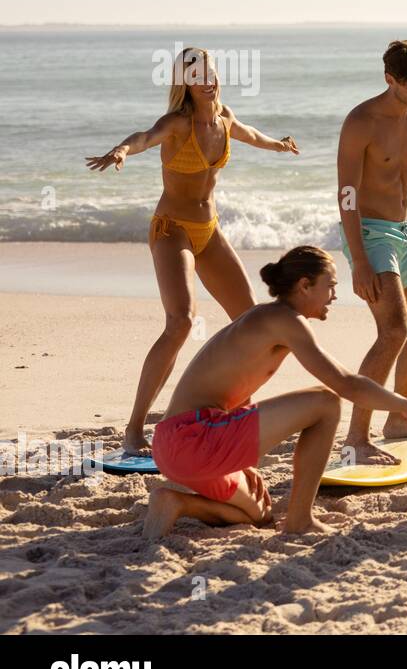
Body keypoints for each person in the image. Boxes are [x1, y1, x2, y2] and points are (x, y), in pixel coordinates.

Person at [85, 47, 299, 458]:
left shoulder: (225, 117)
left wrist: (278, 145)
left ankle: (229, 409)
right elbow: (146, 137)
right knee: (181, 322)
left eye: (211, 72)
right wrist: (122, 150)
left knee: (254, 323)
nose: (207, 80)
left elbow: (248, 133)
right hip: (172, 231)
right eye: (196, 74)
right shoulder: (178, 122)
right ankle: (133, 430)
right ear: (185, 82)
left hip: (209, 231)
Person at [142, 246, 407, 538]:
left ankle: (175, 501)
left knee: (257, 513)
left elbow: (234, 392)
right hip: (194, 439)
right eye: (329, 286)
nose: (334, 295)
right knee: (326, 402)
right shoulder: (285, 321)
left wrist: (238, 459)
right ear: (304, 286)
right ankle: (300, 520)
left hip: (174, 447)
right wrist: (405, 406)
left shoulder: (265, 318)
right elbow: (346, 383)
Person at [336, 40, 407, 465]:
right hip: (370, 233)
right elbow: (346, 193)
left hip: (405, 230)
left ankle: (397, 419)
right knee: (394, 330)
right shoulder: (361, 121)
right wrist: (359, 259)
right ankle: (356, 438)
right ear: (390, 80)